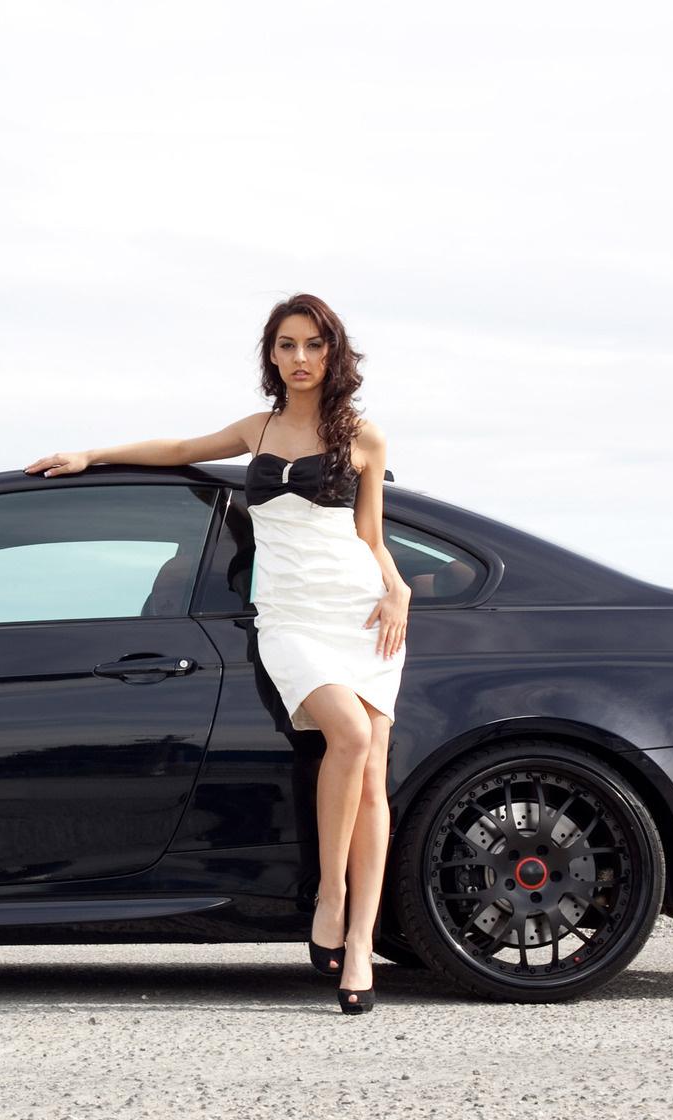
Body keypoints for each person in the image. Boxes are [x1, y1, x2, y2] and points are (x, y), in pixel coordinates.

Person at [22, 293, 409, 1014]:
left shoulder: (364, 436)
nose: (299, 358)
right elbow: (178, 450)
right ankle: (329, 895)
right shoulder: (256, 429)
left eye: (313, 344)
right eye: (286, 345)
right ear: (272, 355)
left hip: (360, 611)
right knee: (350, 737)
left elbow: (371, 537)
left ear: (333, 352)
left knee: (369, 779)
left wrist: (398, 590)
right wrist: (93, 453)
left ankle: (359, 942)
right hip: (291, 616)